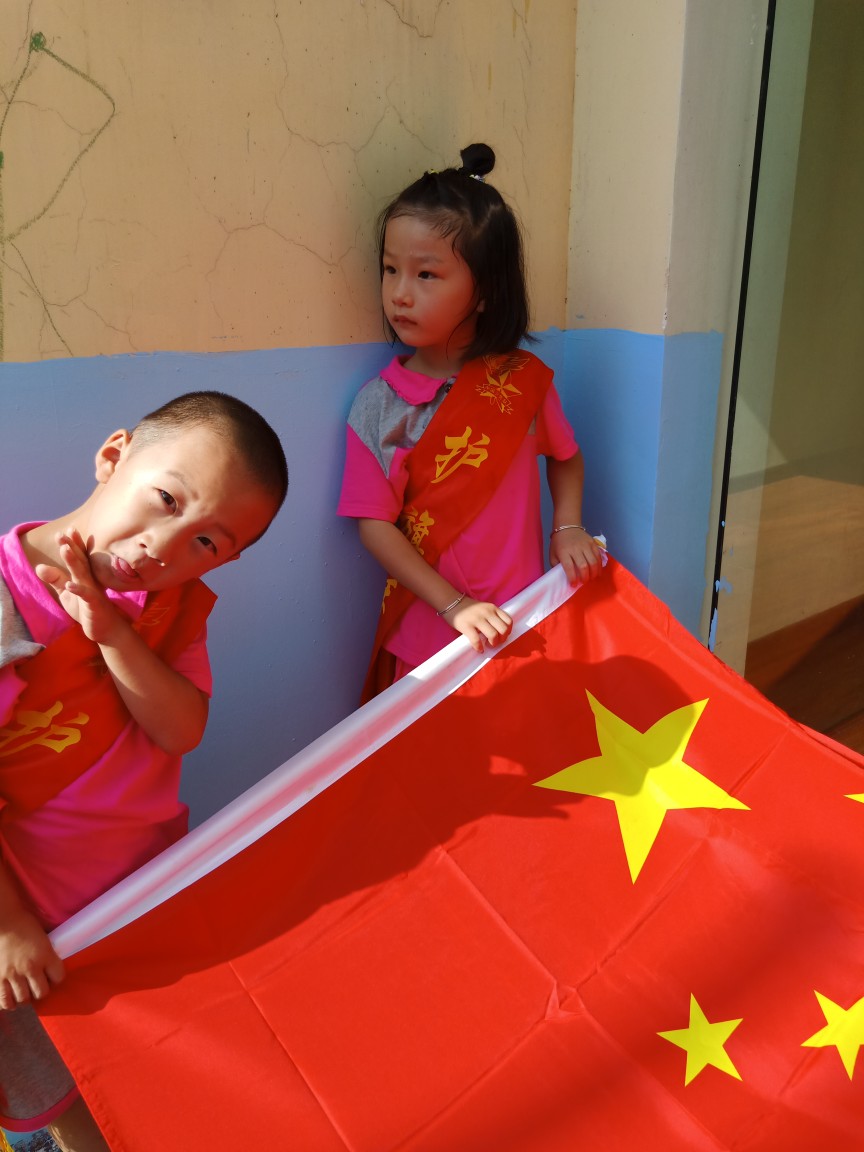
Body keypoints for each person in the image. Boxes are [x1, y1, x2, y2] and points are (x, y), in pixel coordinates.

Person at [0, 391, 288, 1151]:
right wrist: (7, 925)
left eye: (206, 542)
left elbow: (180, 728)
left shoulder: (170, 607)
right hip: (37, 926)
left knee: (159, 1080)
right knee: (73, 1102)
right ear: (113, 455)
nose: (164, 546)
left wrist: (110, 634)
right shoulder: (6, 600)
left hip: (146, 897)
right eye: (166, 499)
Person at [338, 143, 603, 700]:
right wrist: (454, 606)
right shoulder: (378, 406)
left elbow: (566, 458)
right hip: (426, 639)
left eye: (426, 274)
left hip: (522, 617)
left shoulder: (524, 383)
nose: (400, 293)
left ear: (485, 291)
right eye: (390, 269)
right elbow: (374, 525)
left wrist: (568, 526)